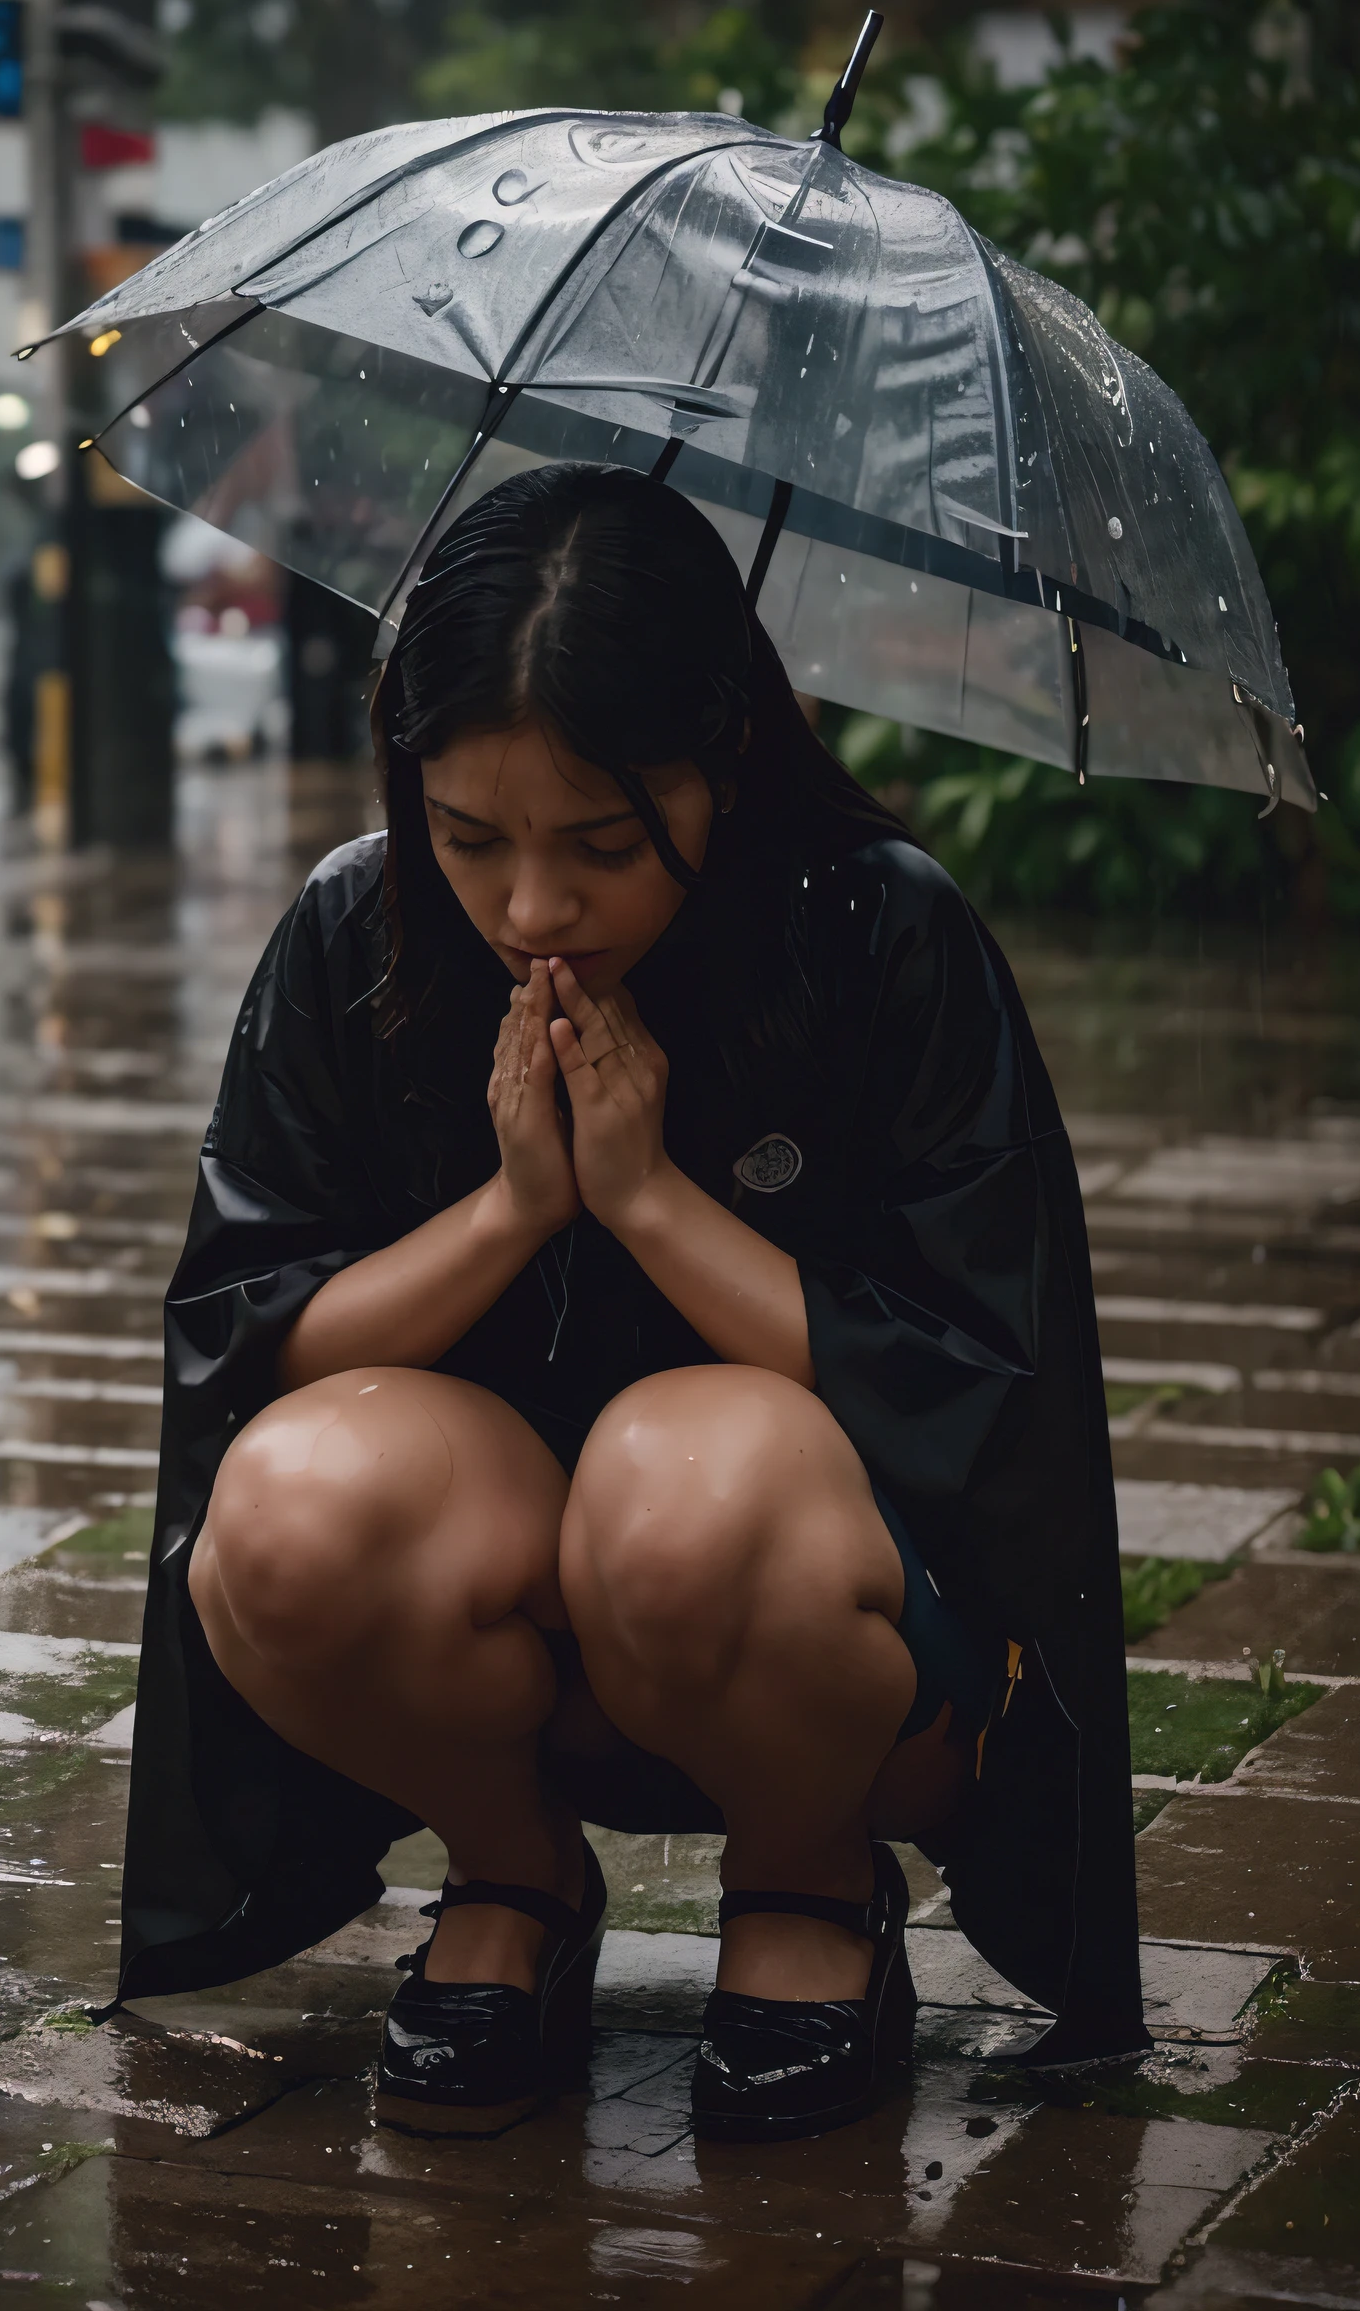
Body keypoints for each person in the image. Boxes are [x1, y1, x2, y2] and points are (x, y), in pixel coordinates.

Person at [118, 461, 1147, 2141]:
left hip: (853, 1660)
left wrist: (653, 1203)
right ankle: (515, 1875)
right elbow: (253, 1333)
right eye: (469, 835)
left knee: (682, 1489)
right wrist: (522, 1205)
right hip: (502, 1660)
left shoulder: (878, 934)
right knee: (290, 1512)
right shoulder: (354, 938)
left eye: (601, 843)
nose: (532, 906)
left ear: (724, 761)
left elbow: (981, 1386)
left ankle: (808, 1887)